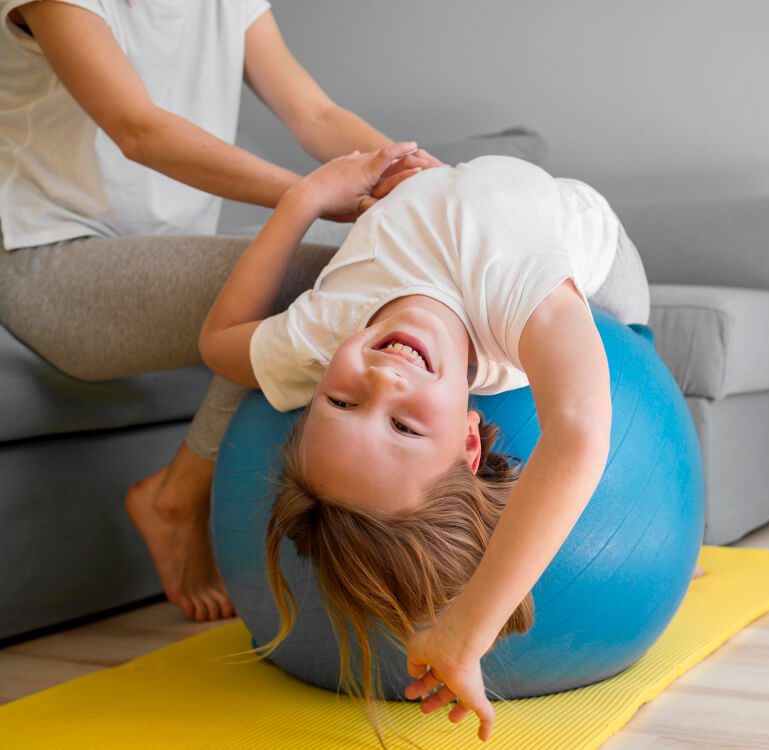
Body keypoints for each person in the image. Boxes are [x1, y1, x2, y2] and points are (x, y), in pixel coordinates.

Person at [199, 151, 666, 742]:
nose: (380, 380)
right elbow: (578, 431)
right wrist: (468, 630)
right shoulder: (508, 280)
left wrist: (304, 201)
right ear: (471, 440)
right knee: (633, 355)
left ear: (316, 384)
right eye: (404, 427)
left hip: (487, 204)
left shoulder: (322, 332)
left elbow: (218, 346)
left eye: (339, 403)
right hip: (591, 252)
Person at [0, 0, 440, 623]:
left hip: (153, 260)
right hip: (50, 264)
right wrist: (311, 195)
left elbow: (314, 113)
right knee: (324, 282)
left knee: (357, 276)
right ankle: (177, 496)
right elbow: (138, 130)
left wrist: (428, 181)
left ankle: (176, 491)